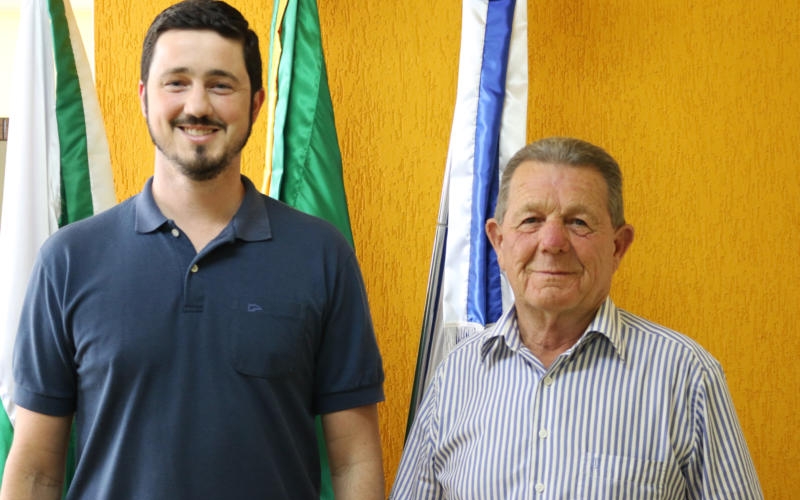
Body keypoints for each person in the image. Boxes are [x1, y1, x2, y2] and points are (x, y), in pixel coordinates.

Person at [0, 1, 385, 499]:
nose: (197, 105)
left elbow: (354, 461)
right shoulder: (68, 260)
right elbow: (34, 472)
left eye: (221, 84)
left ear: (256, 103)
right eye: (176, 82)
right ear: (144, 98)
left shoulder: (322, 256)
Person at [390, 136, 763, 499]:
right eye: (532, 220)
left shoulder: (687, 375)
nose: (552, 242)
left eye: (578, 222)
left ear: (618, 246)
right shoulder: (455, 375)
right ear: (498, 242)